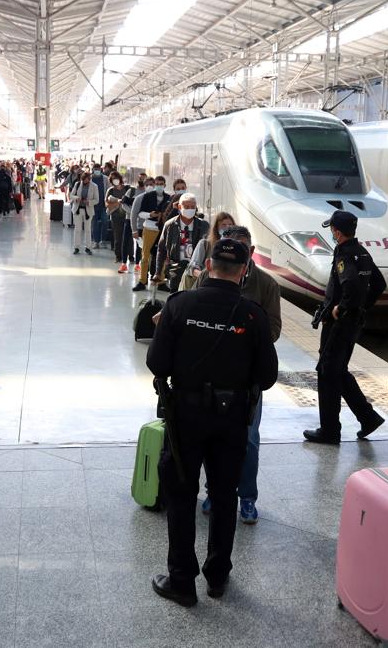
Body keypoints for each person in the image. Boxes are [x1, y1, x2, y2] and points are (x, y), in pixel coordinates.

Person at [146, 237, 278, 607]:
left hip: (185, 418)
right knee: (223, 496)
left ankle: (182, 582)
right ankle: (217, 576)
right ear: (243, 271)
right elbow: (267, 377)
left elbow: (157, 364)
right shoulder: (253, 315)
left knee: (181, 495)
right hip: (232, 420)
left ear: (207, 267)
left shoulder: (180, 305)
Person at [194, 225, 281, 524]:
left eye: (241, 248)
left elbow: (274, 329)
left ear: (251, 253)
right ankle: (214, 492)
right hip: (212, 374)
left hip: (246, 379)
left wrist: (244, 334)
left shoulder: (267, 285)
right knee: (211, 437)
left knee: (248, 440)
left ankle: (246, 497)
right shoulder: (209, 276)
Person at [302, 210, 388, 445]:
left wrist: (343, 307)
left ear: (337, 233)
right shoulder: (362, 253)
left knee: (327, 372)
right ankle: (367, 417)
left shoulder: (343, 256)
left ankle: (329, 431)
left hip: (339, 325)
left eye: (332, 230)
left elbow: (350, 283)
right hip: (353, 324)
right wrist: (362, 307)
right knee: (337, 370)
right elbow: (379, 284)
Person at [155, 193, 209, 293]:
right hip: (176, 269)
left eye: (193, 207)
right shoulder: (170, 225)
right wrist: (158, 272)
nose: (190, 209)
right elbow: (161, 249)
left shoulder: (204, 225)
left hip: (197, 270)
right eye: (187, 206)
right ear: (179, 207)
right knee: (176, 298)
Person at [130, 176, 169, 291]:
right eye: (157, 183)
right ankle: (142, 281)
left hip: (162, 229)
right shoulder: (147, 197)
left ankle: (161, 281)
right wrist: (150, 215)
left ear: (165, 185)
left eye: (161, 184)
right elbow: (140, 213)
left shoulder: (168, 198)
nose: (159, 186)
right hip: (149, 228)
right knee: (145, 255)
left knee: (162, 255)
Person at [184, 212, 235, 291]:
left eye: (230, 225)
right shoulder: (205, 244)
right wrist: (209, 278)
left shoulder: (234, 248)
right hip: (202, 289)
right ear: (216, 228)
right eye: (223, 225)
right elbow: (192, 268)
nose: (227, 227)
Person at [106, 172, 133, 273]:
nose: (115, 180)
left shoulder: (127, 189)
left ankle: (131, 256)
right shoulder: (111, 190)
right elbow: (107, 203)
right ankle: (118, 256)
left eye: (116, 178)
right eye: (113, 179)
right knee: (118, 236)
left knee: (129, 237)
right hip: (116, 215)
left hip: (127, 215)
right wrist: (116, 202)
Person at [69, 171, 99, 255]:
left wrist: (88, 202)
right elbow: (71, 195)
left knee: (88, 230)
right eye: (83, 180)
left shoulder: (94, 186)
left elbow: (97, 200)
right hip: (78, 210)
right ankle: (76, 247)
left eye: (86, 180)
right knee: (77, 229)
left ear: (89, 179)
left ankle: (88, 247)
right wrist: (76, 198)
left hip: (88, 211)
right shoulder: (78, 184)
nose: (84, 181)